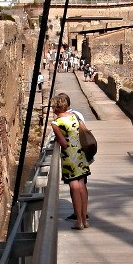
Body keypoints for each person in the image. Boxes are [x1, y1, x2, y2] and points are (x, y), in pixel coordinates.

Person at [50, 93, 89, 229]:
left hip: (69, 156)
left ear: (55, 108)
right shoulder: (75, 117)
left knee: (74, 186)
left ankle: (78, 221)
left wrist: (58, 139)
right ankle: (85, 219)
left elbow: (63, 144)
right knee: (82, 185)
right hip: (81, 154)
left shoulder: (56, 123)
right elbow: (84, 130)